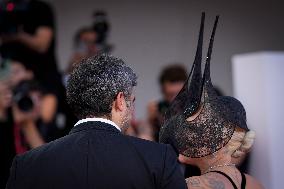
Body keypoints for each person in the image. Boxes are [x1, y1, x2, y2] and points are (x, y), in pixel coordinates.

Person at [6, 54, 187, 189]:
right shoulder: (159, 157)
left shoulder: (26, 164)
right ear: (120, 101)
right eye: (132, 101)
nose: (133, 110)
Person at [160, 13, 264, 189]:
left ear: (211, 142)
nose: (181, 141)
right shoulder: (254, 183)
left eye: (190, 134)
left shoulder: (190, 185)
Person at [147, 64, 187, 142]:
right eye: (171, 95)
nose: (175, 99)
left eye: (179, 94)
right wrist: (151, 121)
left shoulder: (194, 107)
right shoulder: (158, 107)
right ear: (163, 91)